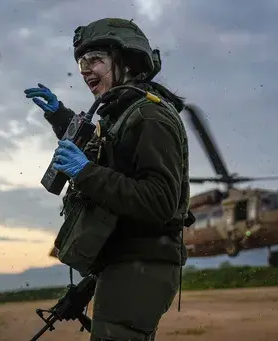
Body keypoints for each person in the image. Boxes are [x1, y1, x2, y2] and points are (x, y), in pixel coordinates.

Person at [25, 18, 191, 341]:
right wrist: (60, 115)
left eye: (94, 60)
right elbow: (105, 150)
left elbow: (159, 200)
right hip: (125, 260)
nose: (85, 71)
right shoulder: (125, 114)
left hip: (141, 264)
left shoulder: (151, 116)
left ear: (125, 61)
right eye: (81, 63)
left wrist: (85, 173)